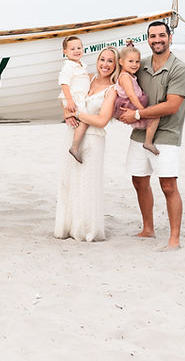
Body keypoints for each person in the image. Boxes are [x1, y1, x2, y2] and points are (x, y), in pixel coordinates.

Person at [119, 21, 185, 251]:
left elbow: (171, 106)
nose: (157, 39)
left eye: (162, 35)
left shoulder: (180, 69)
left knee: (168, 185)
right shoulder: (139, 64)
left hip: (167, 134)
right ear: (148, 39)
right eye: (152, 36)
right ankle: (148, 229)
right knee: (138, 180)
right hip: (140, 132)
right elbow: (119, 69)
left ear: (170, 38)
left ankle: (174, 240)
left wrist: (137, 113)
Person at [54, 46, 119, 242]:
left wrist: (78, 114)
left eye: (110, 61)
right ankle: (68, 227)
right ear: (97, 61)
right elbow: (68, 95)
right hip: (73, 134)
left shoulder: (112, 90)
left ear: (115, 65)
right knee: (70, 181)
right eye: (102, 59)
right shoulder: (87, 78)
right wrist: (67, 113)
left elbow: (101, 121)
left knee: (87, 184)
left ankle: (85, 229)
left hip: (93, 139)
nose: (105, 64)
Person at [114, 45, 161, 156]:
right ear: (121, 62)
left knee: (152, 116)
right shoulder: (125, 77)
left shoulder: (129, 75)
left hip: (133, 103)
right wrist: (141, 110)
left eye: (137, 61)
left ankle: (148, 139)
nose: (134, 65)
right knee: (155, 116)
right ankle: (148, 142)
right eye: (130, 61)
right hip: (130, 104)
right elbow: (131, 95)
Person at [58, 35, 91, 163]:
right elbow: (64, 83)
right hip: (73, 98)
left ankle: (77, 143)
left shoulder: (81, 65)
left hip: (79, 98)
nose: (76, 51)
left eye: (79, 47)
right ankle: (75, 147)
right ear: (65, 52)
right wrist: (70, 101)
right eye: (72, 49)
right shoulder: (68, 66)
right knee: (85, 119)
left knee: (79, 120)